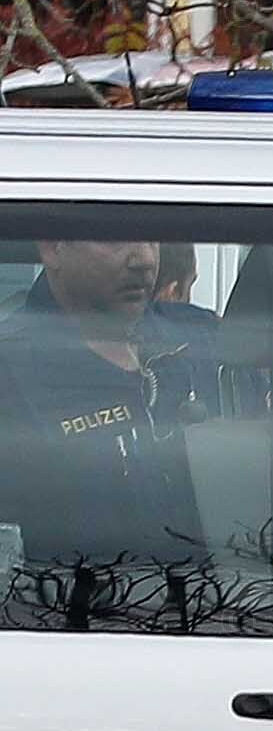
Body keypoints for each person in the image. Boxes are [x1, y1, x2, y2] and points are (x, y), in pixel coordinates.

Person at [0, 236, 214, 618]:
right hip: (82, 643)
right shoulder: (12, 375)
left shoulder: (203, 343)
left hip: (221, 626)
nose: (144, 259)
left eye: (152, 239)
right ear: (53, 247)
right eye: (116, 238)